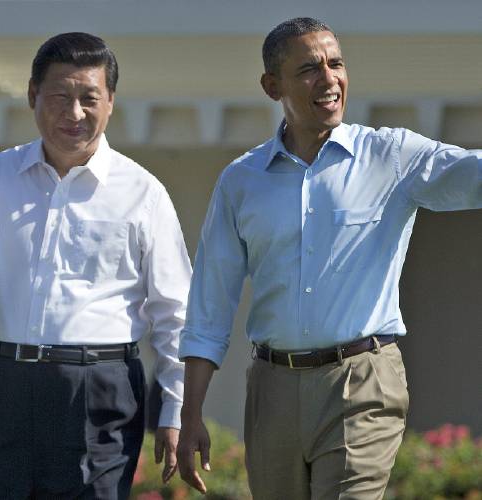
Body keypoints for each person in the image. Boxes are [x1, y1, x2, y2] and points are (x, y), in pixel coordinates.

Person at [176, 17, 482, 500]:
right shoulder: (241, 181)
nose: (329, 79)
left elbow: (473, 175)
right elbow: (209, 305)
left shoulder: (392, 155)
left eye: (335, 63)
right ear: (271, 85)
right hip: (272, 390)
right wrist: (189, 412)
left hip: (361, 383)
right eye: (309, 69)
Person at [0, 32, 191, 499]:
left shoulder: (143, 192)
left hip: (99, 390)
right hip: (4, 386)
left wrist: (175, 410)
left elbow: (175, 314)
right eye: (59, 96)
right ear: (33, 95)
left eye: (88, 98)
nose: (74, 113)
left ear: (111, 102)